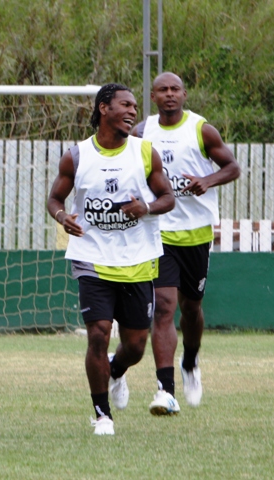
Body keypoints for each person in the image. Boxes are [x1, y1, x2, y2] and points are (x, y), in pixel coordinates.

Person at [47, 83, 174, 435]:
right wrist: (62, 218)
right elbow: (55, 199)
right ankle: (102, 415)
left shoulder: (146, 153)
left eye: (135, 106)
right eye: (125, 105)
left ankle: (116, 371)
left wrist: (145, 207)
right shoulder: (76, 156)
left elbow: (168, 198)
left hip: (137, 259)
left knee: (134, 346)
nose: (133, 111)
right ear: (104, 108)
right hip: (91, 258)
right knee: (99, 335)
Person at [132, 72, 240, 415]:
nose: (169, 95)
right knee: (164, 307)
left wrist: (207, 181)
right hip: (158, 231)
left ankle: (190, 362)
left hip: (195, 233)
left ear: (184, 94)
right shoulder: (141, 132)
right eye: (162, 90)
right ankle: (165, 391)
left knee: (191, 307)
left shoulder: (201, 129)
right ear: (153, 96)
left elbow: (233, 166)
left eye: (174, 89)